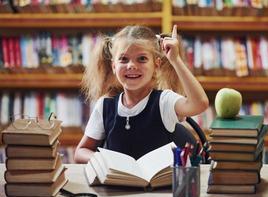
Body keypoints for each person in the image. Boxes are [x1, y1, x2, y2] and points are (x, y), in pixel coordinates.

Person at [74, 25, 209, 163]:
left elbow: (200, 104)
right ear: (114, 66)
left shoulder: (164, 102)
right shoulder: (104, 106)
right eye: (124, 59)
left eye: (142, 59)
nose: (131, 65)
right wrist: (105, 160)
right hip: (117, 183)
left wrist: (175, 60)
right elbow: (80, 152)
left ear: (156, 65)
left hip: (158, 184)